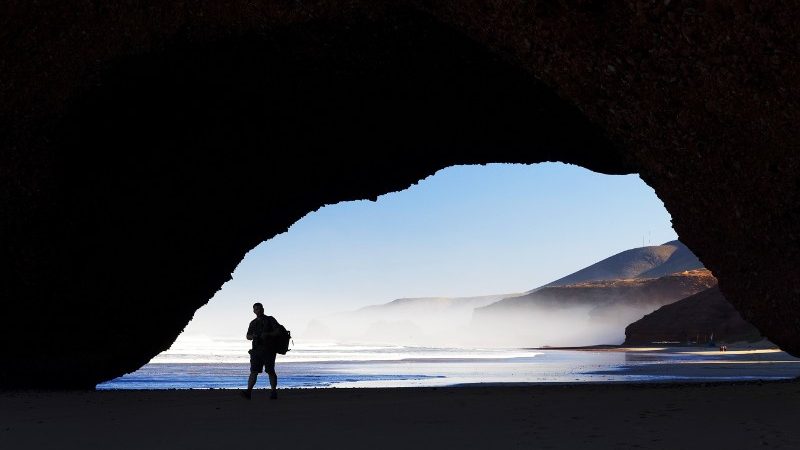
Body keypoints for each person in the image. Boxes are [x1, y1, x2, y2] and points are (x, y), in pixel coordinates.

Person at [241, 302, 282, 400]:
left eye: (260, 309)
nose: (258, 311)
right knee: (253, 371)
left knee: (270, 371)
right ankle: (248, 392)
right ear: (254, 311)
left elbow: (278, 331)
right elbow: (248, 336)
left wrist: (268, 334)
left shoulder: (270, 319)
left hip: (269, 350)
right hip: (256, 351)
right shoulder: (253, 323)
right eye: (256, 309)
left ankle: (273, 392)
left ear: (263, 309)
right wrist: (253, 336)